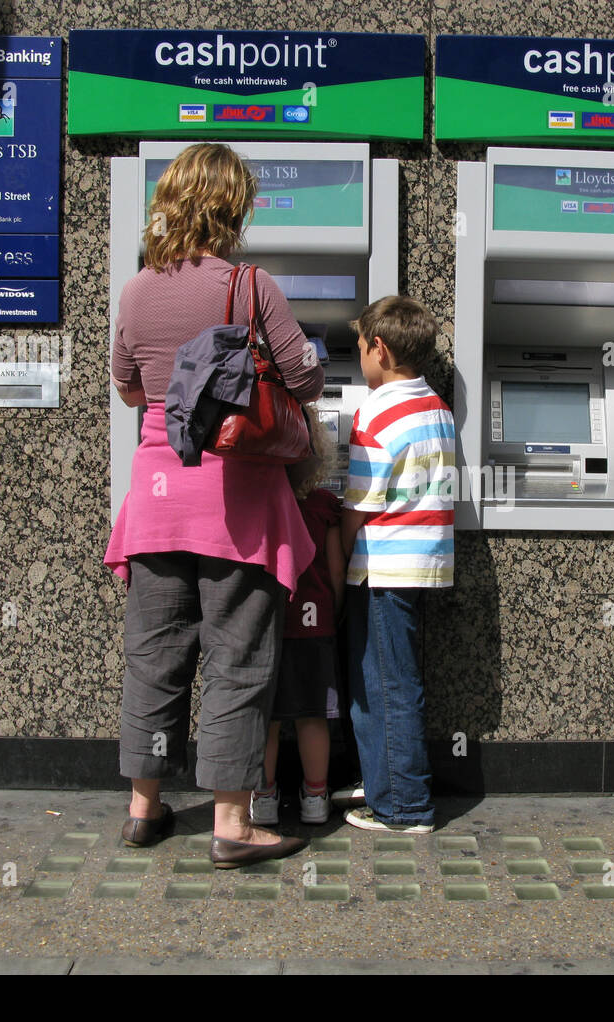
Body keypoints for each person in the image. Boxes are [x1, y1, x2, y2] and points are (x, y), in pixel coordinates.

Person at [104, 142, 323, 868]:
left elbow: (129, 387)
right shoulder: (249, 285)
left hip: (158, 499)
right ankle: (232, 822)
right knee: (237, 658)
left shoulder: (136, 288)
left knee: (154, 657)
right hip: (236, 504)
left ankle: (144, 807)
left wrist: (176, 392)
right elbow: (305, 376)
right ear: (233, 206)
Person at [340, 296, 454, 833]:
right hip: (421, 561)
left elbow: (359, 503)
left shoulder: (376, 410)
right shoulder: (435, 405)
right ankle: (386, 778)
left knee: (385, 684)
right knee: (392, 678)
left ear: (379, 349)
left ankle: (404, 806)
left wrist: (338, 557)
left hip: (382, 567)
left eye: (359, 348)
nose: (357, 358)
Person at [250, 411, 345, 825]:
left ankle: (265, 798)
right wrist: (333, 614)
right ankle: (315, 798)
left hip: (268, 624)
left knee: (266, 718)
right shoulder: (325, 506)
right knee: (313, 716)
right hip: (315, 626)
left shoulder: (257, 504)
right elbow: (337, 570)